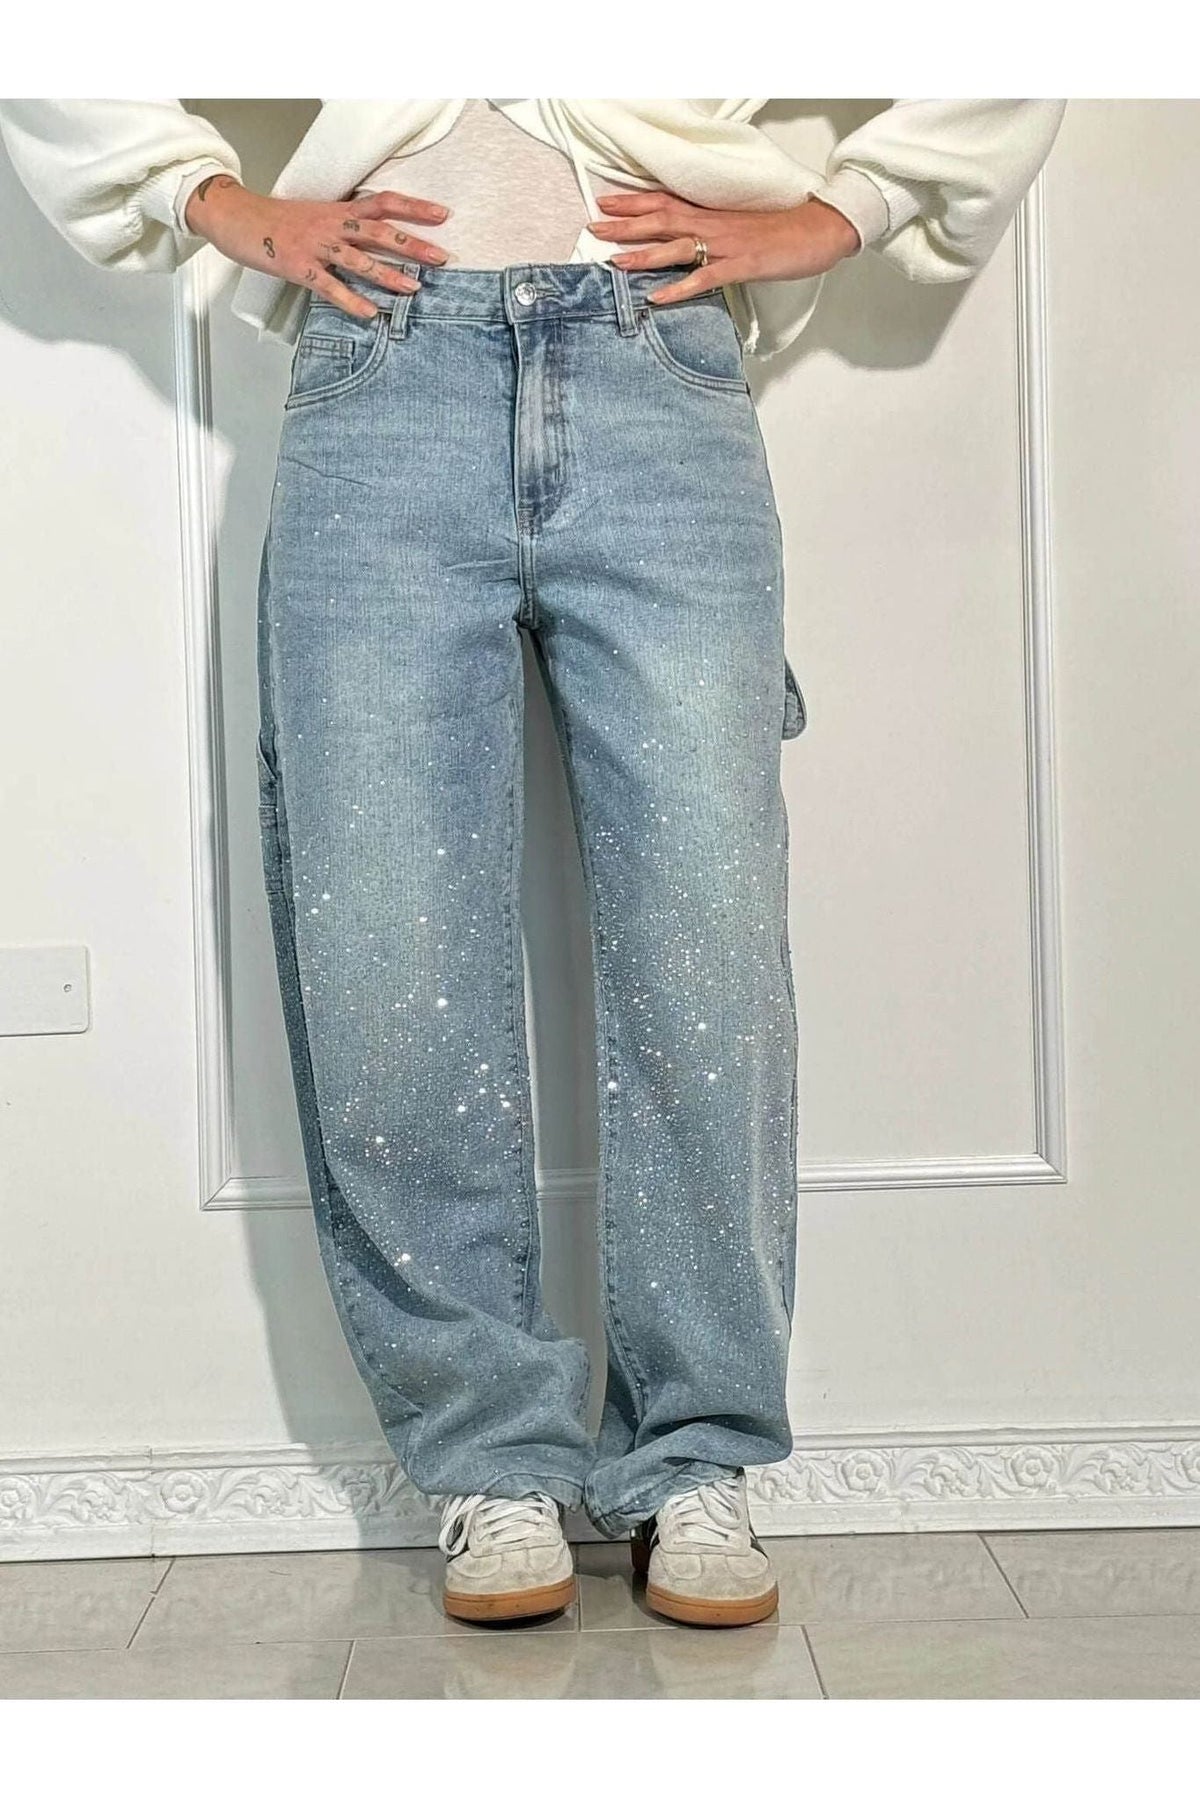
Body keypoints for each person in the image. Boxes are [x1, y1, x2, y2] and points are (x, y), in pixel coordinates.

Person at [0, 96, 1066, 1629]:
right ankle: (489, 1459)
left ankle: (696, 1455)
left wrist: (846, 213)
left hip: (659, 372)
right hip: (380, 377)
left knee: (704, 953)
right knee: (388, 947)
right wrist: (216, 202)